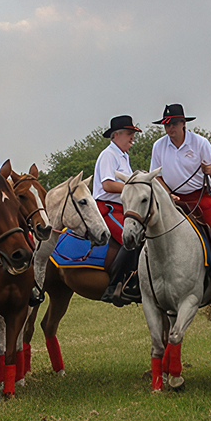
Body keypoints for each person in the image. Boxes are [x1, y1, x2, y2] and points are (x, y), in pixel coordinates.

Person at [145, 104, 211, 295]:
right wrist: (167, 193)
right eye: (166, 125)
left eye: (173, 124)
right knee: (149, 230)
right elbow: (156, 176)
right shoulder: (158, 146)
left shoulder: (200, 143)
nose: (169, 128)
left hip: (200, 197)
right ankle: (146, 280)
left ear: (183, 124)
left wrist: (210, 170)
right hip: (172, 199)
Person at [94, 115, 142, 304]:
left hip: (122, 208)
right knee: (130, 238)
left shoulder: (123, 156)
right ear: (116, 135)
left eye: (132, 133)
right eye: (129, 133)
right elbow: (107, 185)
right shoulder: (109, 154)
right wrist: (134, 188)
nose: (132, 137)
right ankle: (112, 287)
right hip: (107, 207)